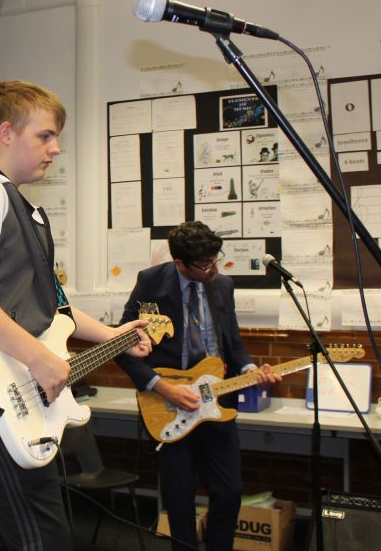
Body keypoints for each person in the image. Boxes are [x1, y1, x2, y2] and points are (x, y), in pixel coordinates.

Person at [0, 79, 153, 550]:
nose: (55, 149)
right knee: (42, 533)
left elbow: (54, 309)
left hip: (7, 389)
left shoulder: (20, 206)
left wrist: (115, 334)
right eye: (45, 136)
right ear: (7, 133)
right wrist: (37, 357)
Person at [115, 221, 280, 551]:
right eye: (205, 264)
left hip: (217, 402)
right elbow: (121, 345)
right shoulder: (152, 284)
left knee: (229, 490)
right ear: (180, 263)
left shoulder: (222, 285)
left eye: (215, 259)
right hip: (169, 404)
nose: (213, 269)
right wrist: (162, 387)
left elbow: (233, 344)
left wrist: (250, 369)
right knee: (179, 496)